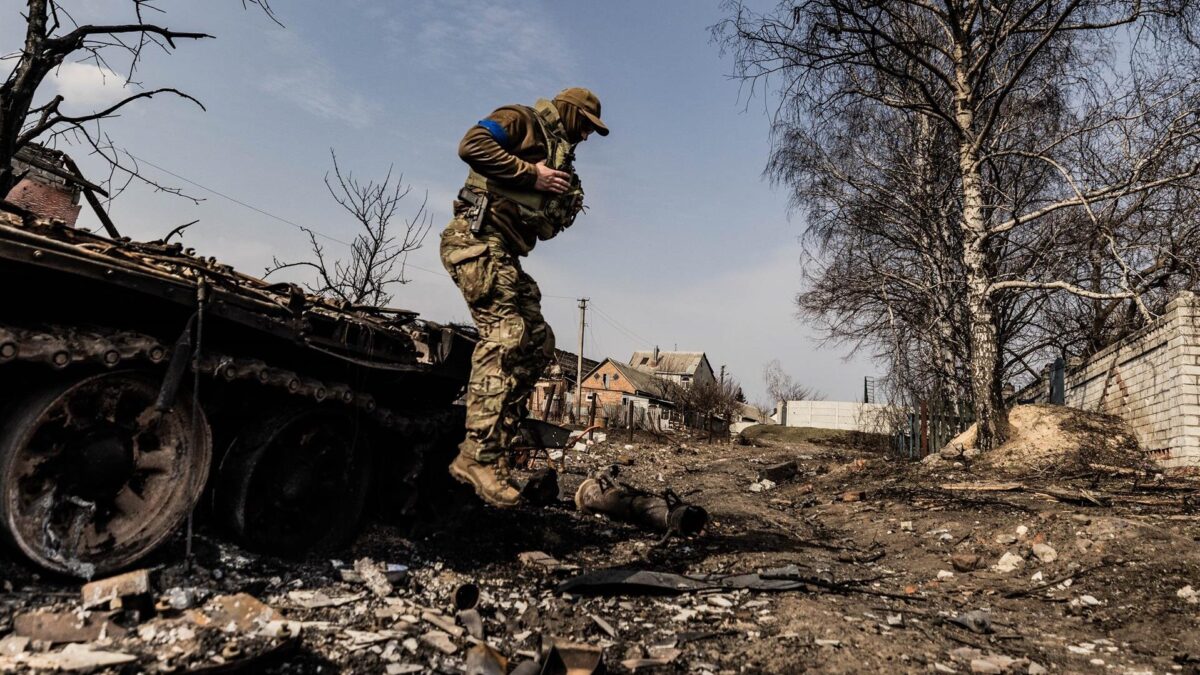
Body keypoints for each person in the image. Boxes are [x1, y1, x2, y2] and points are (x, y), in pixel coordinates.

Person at [440, 87, 608, 507]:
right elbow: (471, 145)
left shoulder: (559, 155)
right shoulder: (522, 119)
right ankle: (476, 455)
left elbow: (540, 222)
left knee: (538, 343)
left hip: (505, 253)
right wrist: (534, 176)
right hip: (474, 238)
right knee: (507, 333)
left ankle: (499, 438)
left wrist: (557, 202)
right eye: (585, 126)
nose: (586, 137)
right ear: (569, 113)